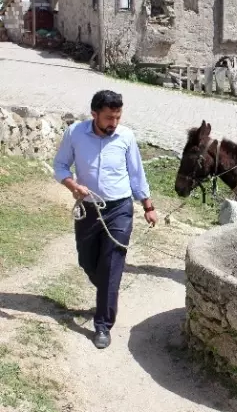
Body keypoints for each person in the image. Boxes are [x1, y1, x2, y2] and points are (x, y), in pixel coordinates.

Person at [53, 90, 158, 349]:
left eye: (118, 117)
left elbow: (136, 173)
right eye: (109, 118)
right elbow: (60, 166)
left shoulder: (126, 136)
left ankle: (102, 325)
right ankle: (107, 294)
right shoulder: (75, 133)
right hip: (89, 209)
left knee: (111, 266)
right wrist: (72, 186)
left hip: (120, 208)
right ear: (94, 114)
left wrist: (148, 205)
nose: (114, 123)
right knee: (87, 260)